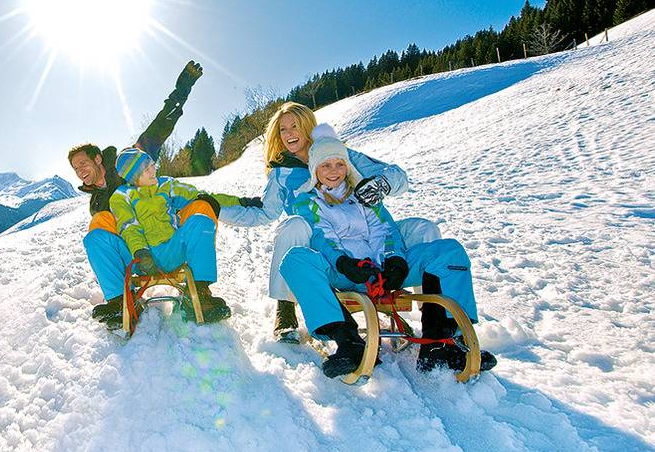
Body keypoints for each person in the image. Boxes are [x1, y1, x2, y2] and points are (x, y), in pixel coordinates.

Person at [276, 124, 497, 377]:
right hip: (345, 272)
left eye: (339, 164)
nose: (333, 171)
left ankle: (440, 343)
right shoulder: (307, 200)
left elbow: (387, 230)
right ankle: (349, 343)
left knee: (449, 251)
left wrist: (396, 260)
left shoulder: (364, 194)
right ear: (315, 169)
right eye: (325, 165)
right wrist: (345, 263)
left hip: (384, 270)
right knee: (295, 260)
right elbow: (322, 237)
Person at [219, 101, 441, 343]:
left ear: (308, 127)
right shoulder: (281, 173)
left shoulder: (338, 154)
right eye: (283, 129)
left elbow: (398, 176)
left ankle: (434, 312)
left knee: (425, 229)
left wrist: (381, 184)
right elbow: (264, 213)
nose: (289, 133)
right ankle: (286, 307)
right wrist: (218, 211)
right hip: (320, 243)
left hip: (365, 238)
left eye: (295, 126)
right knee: (293, 226)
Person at [69, 61, 202, 326]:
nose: (80, 171)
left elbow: (159, 128)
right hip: (136, 254)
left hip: (164, 241)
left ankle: (201, 291)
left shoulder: (128, 166)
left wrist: (183, 88)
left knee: (197, 210)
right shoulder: (96, 202)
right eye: (75, 168)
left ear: (98, 159)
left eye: (83, 163)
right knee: (97, 232)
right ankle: (119, 301)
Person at [108, 148, 247, 325]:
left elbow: (202, 197)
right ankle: (118, 302)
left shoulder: (166, 185)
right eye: (146, 169)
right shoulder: (121, 196)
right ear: (134, 177)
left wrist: (240, 202)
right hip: (141, 259)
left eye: (152, 165)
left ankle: (198, 294)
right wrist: (141, 252)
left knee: (201, 221)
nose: (153, 170)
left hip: (172, 251)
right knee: (99, 239)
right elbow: (129, 227)